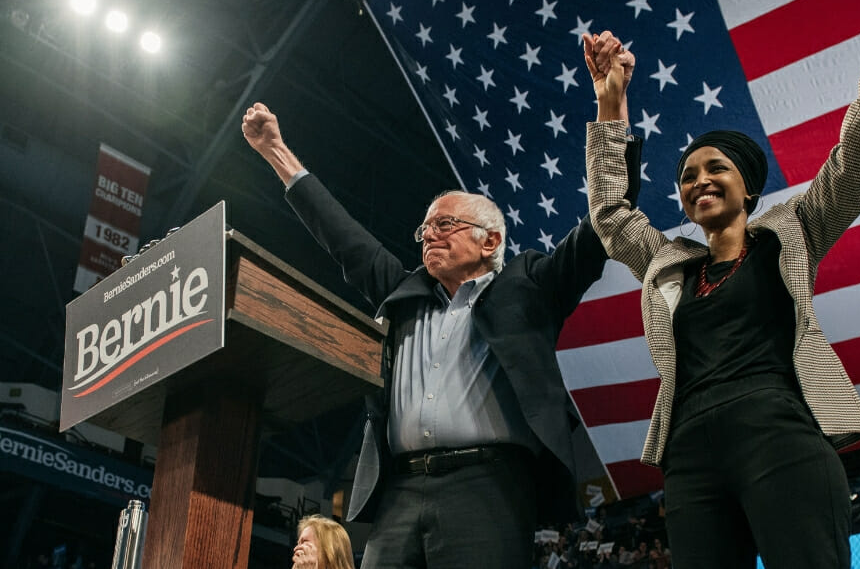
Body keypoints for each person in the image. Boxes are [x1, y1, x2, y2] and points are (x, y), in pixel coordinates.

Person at [580, 0, 860, 568]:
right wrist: (610, 104)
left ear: (749, 187)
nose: (698, 180)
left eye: (716, 168)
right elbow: (610, 215)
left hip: (780, 433)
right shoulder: (671, 264)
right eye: (687, 175)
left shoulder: (793, 233)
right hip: (690, 453)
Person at [242, 88, 641, 568]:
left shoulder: (529, 286)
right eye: (425, 229)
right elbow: (342, 236)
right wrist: (275, 151)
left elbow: (604, 221)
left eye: (445, 224)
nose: (429, 234)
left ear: (490, 240)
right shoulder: (404, 293)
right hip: (401, 490)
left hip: (488, 487)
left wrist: (611, 104)